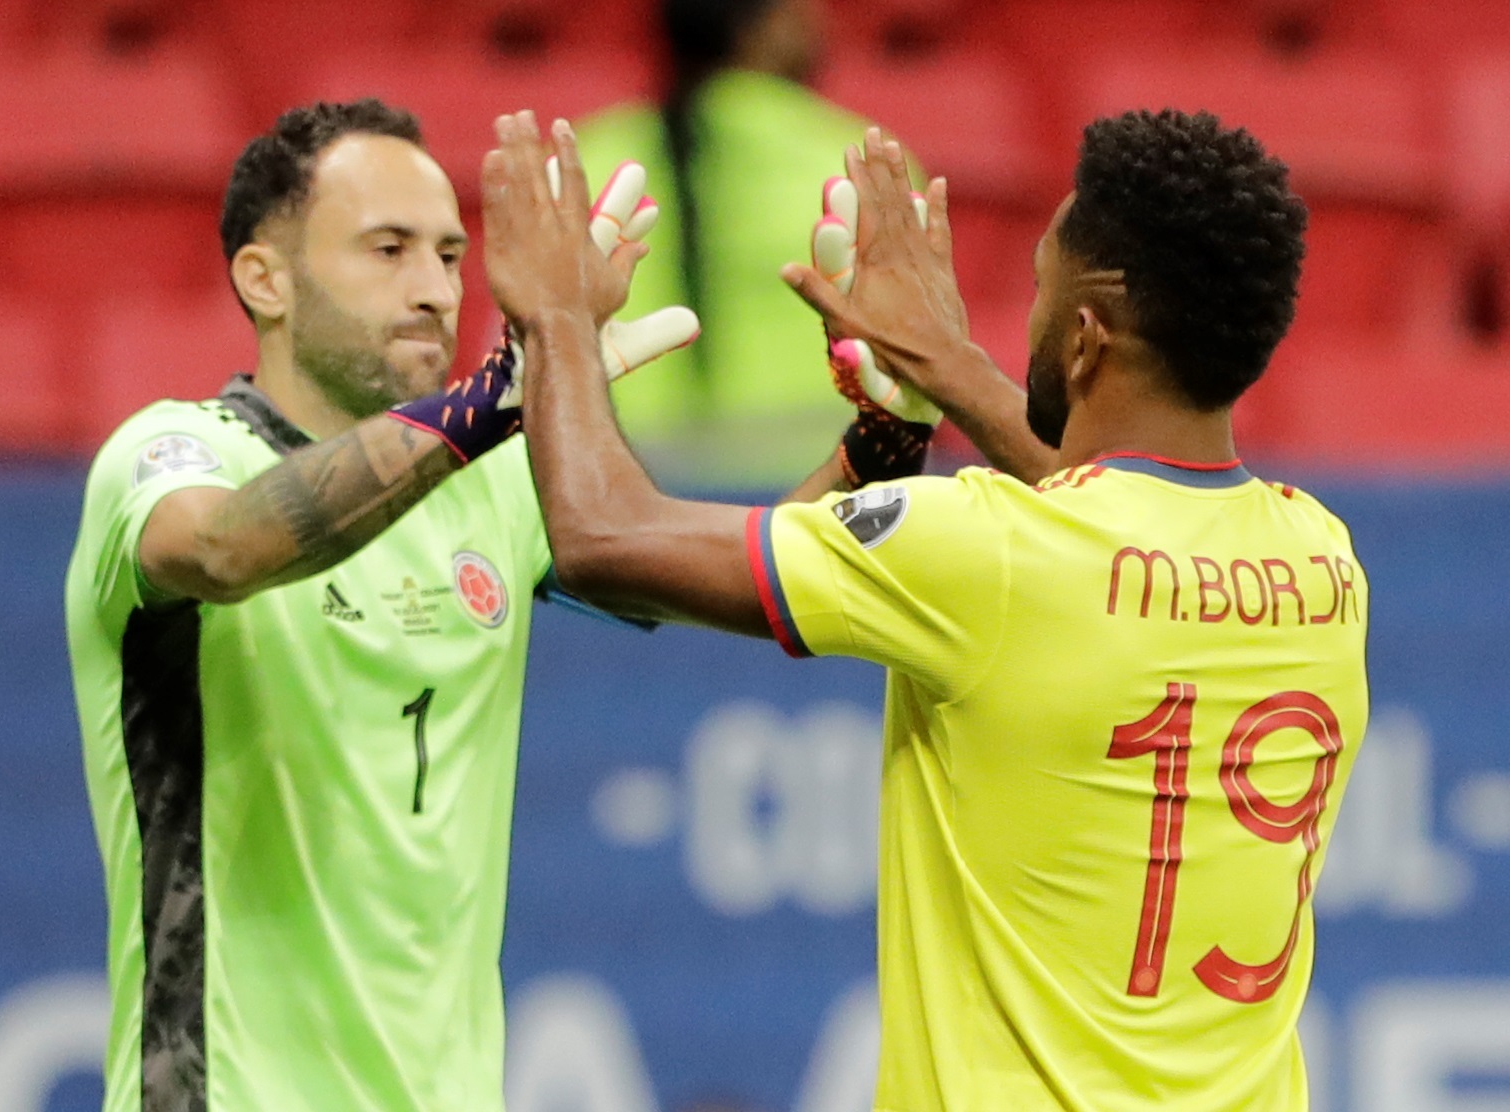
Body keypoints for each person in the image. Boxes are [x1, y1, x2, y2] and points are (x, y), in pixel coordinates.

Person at [63, 97, 937, 1111]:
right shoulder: (173, 453)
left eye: (447, 256)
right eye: (386, 249)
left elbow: (729, 575)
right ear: (265, 279)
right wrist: (495, 399)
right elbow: (219, 547)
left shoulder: (487, 481)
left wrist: (874, 445)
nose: (434, 288)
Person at [485, 109, 1369, 1110]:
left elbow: (602, 534)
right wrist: (942, 367)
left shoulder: (985, 551)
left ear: (1083, 339)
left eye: (1039, 290)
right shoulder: (1322, 560)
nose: (1027, 319)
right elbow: (1112, 527)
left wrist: (555, 315)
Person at [574, 0, 921, 486]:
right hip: (822, 483)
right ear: (768, 28)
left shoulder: (586, 158)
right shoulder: (865, 160)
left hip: (628, 482)